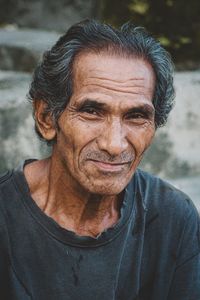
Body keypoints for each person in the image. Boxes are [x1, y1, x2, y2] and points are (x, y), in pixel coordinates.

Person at [0, 19, 199, 300]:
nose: (115, 145)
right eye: (92, 111)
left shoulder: (171, 217)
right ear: (46, 117)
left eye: (137, 116)